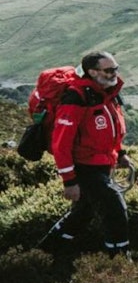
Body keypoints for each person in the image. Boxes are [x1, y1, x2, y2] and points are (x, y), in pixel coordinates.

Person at [40, 52, 131, 258]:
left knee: (83, 213)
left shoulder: (108, 93)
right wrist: (69, 181)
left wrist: (121, 152)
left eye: (115, 69)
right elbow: (61, 143)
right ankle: (120, 262)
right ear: (92, 72)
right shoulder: (76, 97)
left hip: (102, 163)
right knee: (115, 208)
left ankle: (46, 254)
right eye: (109, 70)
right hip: (84, 167)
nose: (114, 74)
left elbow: (112, 129)